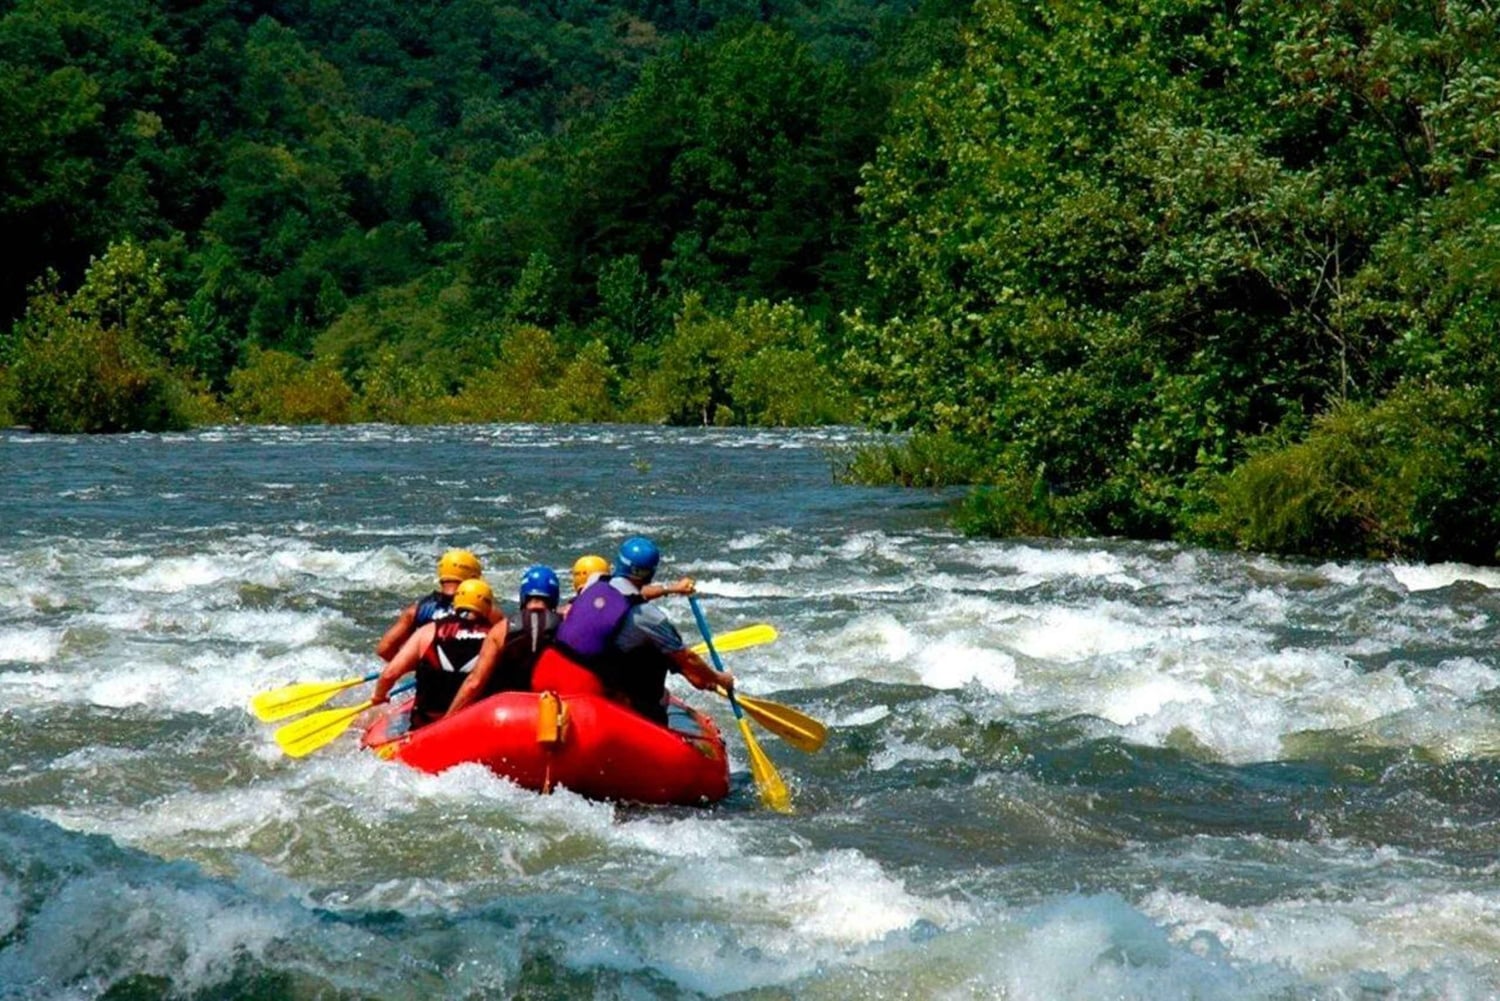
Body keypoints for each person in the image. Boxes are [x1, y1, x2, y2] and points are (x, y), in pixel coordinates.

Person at [533, 536, 733, 725]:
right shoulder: (649, 617)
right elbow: (688, 659)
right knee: (656, 653)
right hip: (583, 689)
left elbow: (629, 591)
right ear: (650, 573)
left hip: (544, 672)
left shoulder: (595, 580)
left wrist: (672, 589)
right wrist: (719, 679)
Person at [372, 577, 498, 730]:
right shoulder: (496, 635)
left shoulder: (429, 630)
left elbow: (389, 674)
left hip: (428, 721)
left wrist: (379, 696)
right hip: (474, 720)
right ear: (488, 606)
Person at [445, 565, 563, 717]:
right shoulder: (565, 625)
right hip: (549, 710)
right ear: (554, 597)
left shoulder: (502, 629)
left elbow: (474, 682)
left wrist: (447, 719)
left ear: (523, 595)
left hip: (508, 712)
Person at [376, 548, 483, 661]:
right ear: (473, 579)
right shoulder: (482, 607)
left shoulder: (417, 610)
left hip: (432, 675)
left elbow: (384, 649)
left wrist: (417, 667)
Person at [564, 552, 697, 617]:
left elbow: (640, 592)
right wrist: (674, 588)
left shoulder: (565, 611)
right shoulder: (610, 598)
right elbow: (637, 593)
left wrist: (672, 589)